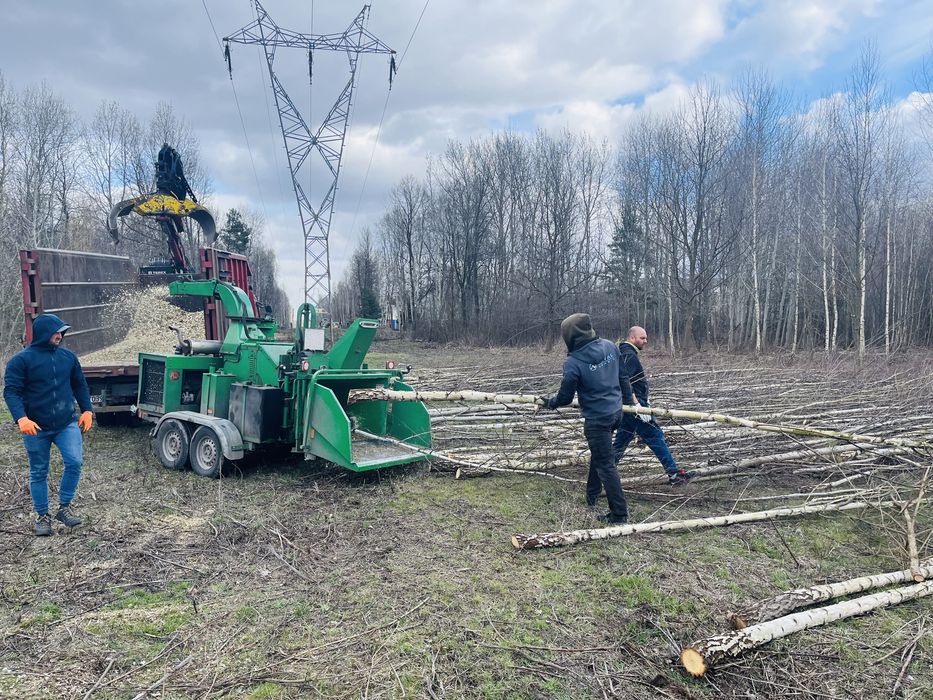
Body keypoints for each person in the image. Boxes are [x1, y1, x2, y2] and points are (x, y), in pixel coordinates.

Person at [4, 314, 94, 536]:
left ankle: (64, 507)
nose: (60, 335)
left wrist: (87, 410)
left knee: (74, 462)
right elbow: (11, 392)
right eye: (56, 331)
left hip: (66, 423)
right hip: (35, 426)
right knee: (38, 471)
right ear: (44, 333)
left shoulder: (68, 357)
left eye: (62, 332)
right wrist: (21, 418)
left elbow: (79, 385)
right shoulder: (21, 361)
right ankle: (42, 517)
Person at [543, 313, 635, 524]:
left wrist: (550, 403)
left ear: (570, 336)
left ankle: (619, 514)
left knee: (606, 464)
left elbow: (565, 398)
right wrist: (627, 402)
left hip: (597, 420)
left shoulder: (573, 362)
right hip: (615, 413)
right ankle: (591, 495)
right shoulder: (611, 346)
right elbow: (623, 376)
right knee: (600, 454)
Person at [613, 326, 693, 486]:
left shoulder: (625, 353)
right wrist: (637, 404)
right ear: (632, 338)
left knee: (622, 440)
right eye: (642, 338)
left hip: (631, 406)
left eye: (645, 338)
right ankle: (674, 474)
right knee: (655, 436)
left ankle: (604, 471)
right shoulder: (628, 355)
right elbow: (624, 381)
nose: (645, 341)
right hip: (634, 407)